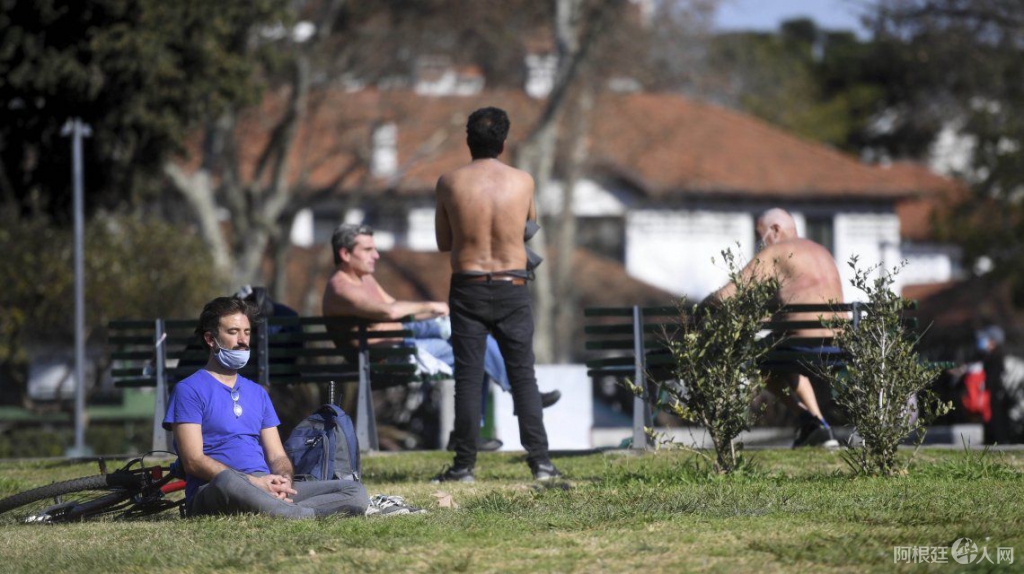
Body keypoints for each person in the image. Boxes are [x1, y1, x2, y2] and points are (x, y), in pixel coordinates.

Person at [321, 223, 561, 450]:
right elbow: (389, 311)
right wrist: (431, 306)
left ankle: (471, 430)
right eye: (368, 249)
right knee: (474, 349)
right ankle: (517, 398)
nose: (376, 255)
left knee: (475, 347)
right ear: (345, 254)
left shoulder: (365, 279)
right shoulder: (341, 288)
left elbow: (393, 308)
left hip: (400, 345)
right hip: (381, 358)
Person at [432, 106, 561, 482]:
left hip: (468, 285)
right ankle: (541, 463)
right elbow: (529, 226)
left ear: (467, 141)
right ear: (504, 143)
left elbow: (444, 242)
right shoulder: (524, 181)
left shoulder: (449, 182)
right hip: (513, 285)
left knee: (469, 379)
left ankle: (464, 466)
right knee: (523, 375)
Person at [163, 296, 372, 518]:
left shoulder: (257, 393)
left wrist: (283, 480)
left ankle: (290, 511)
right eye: (233, 332)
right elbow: (193, 461)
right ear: (210, 339)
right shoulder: (188, 390)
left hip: (265, 486)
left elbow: (277, 456)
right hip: (217, 488)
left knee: (354, 491)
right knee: (228, 480)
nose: (243, 340)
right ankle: (304, 514)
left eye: (247, 332)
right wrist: (254, 483)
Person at [705, 208, 842, 448]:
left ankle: (808, 418)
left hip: (803, 346)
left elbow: (728, 295)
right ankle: (817, 425)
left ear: (776, 230)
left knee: (755, 358)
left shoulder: (777, 252)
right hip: (838, 345)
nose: (761, 243)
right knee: (778, 351)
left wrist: (701, 310)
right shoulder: (821, 250)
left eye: (762, 236)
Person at [976, 325, 1011, 445]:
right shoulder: (988, 356)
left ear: (993, 341)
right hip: (991, 395)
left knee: (996, 420)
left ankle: (997, 441)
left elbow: (994, 378)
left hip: (996, 395)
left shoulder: (997, 357)